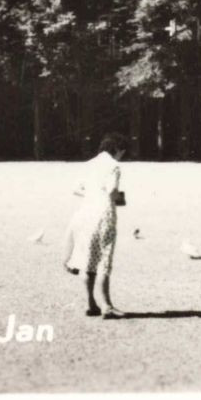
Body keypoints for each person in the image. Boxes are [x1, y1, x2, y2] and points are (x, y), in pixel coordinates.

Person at [62, 133, 126, 319]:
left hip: (85, 213)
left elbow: (76, 189)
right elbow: (112, 190)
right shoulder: (114, 166)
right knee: (104, 260)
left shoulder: (89, 164)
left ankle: (91, 304)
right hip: (103, 214)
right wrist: (118, 198)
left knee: (87, 260)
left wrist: (93, 194)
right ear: (117, 150)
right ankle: (107, 306)